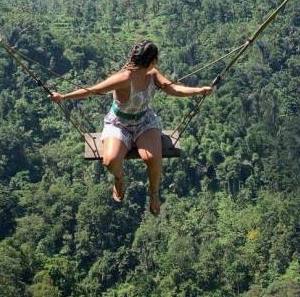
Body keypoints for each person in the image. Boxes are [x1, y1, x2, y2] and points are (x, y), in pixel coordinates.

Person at [50, 40, 212, 216]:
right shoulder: (124, 78)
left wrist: (199, 91)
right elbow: (92, 90)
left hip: (145, 121)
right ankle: (119, 179)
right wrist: (63, 97)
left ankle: (154, 193)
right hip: (119, 123)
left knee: (153, 159)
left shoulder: (153, 75)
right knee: (110, 161)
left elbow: (174, 89)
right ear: (152, 60)